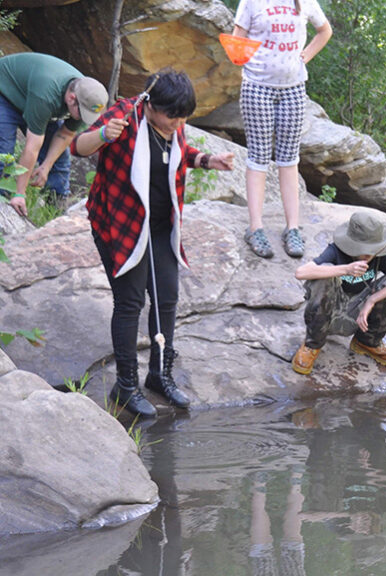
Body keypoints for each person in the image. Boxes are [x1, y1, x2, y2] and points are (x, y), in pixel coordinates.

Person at [72, 70, 235, 418]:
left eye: (183, 117)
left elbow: (179, 153)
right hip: (120, 225)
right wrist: (102, 134)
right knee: (130, 302)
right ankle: (125, 385)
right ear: (151, 106)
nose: (179, 123)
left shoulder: (173, 124)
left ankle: (159, 375)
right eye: (173, 117)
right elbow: (78, 145)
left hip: (160, 226)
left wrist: (207, 161)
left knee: (167, 297)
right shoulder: (124, 116)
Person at [232, 0, 333, 259]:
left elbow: (324, 31)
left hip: (293, 87)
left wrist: (305, 56)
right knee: (259, 155)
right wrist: (245, 60)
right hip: (258, 86)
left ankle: (292, 228)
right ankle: (256, 227)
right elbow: (237, 40)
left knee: (289, 158)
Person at [291, 211, 386, 373]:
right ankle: (312, 345)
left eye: (372, 249)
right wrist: (345, 269)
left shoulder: (379, 256)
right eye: (363, 249)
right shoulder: (335, 250)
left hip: (360, 313)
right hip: (330, 312)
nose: (368, 254)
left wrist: (372, 300)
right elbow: (301, 272)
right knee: (324, 273)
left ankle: (367, 342)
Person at [0, 52, 108, 215]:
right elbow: (32, 148)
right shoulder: (47, 95)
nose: (83, 119)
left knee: (59, 160)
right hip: (6, 92)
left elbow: (66, 134)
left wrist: (46, 166)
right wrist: (20, 193)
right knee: (4, 154)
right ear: (71, 98)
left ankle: (56, 211)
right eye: (83, 113)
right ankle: (6, 203)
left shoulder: (86, 97)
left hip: (35, 99)